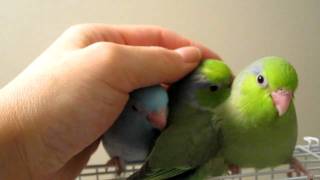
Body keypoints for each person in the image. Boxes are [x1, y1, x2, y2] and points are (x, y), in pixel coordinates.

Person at [0, 24, 219, 180]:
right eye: (137, 109)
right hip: (123, 156)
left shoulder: (163, 124)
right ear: (125, 107)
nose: (159, 119)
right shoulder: (110, 119)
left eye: (164, 109)